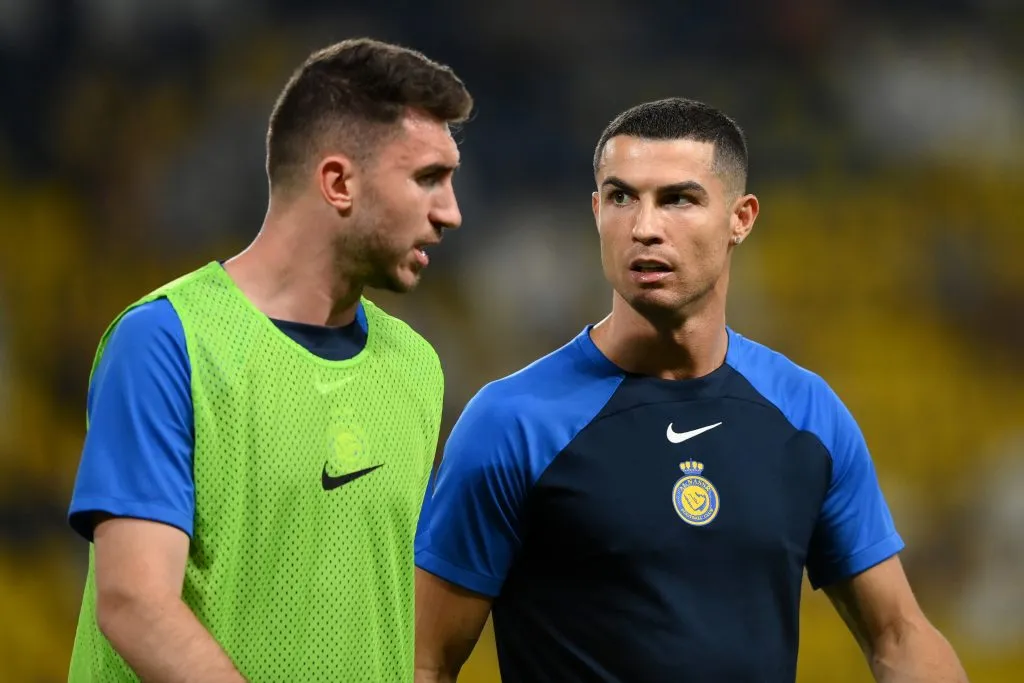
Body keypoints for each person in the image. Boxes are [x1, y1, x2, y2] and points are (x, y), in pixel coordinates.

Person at [413, 98, 968, 682]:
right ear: (596, 210)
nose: (645, 227)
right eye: (622, 197)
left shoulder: (806, 414)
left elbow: (900, 635)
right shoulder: (512, 423)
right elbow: (426, 662)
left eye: (678, 199)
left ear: (741, 218)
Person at [66, 37, 472, 682]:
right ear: (338, 181)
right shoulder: (168, 343)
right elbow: (134, 603)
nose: (451, 212)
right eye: (428, 178)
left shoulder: (416, 365)